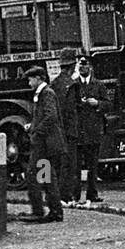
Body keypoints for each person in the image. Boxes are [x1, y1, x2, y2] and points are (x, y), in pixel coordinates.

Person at [21, 66, 65, 223]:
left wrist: (36, 131)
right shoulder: (42, 93)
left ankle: (41, 211)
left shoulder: (46, 93)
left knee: (35, 175)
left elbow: (51, 117)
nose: (29, 82)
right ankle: (53, 211)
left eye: (30, 79)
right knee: (45, 177)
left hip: (45, 144)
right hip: (45, 144)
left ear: (39, 78)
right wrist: (32, 126)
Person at [72, 54, 109, 202]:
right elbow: (69, 106)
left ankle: (92, 194)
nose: (82, 68)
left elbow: (108, 104)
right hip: (79, 131)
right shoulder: (74, 85)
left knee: (93, 166)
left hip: (93, 131)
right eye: (80, 66)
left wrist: (97, 103)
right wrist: (79, 103)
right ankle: (75, 195)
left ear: (90, 68)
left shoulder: (99, 85)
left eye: (85, 65)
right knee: (76, 167)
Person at [51, 49, 80, 202]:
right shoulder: (72, 85)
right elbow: (70, 111)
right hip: (70, 131)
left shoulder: (54, 84)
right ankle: (67, 196)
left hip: (59, 131)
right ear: (73, 65)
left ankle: (61, 195)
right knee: (70, 165)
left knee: (61, 165)